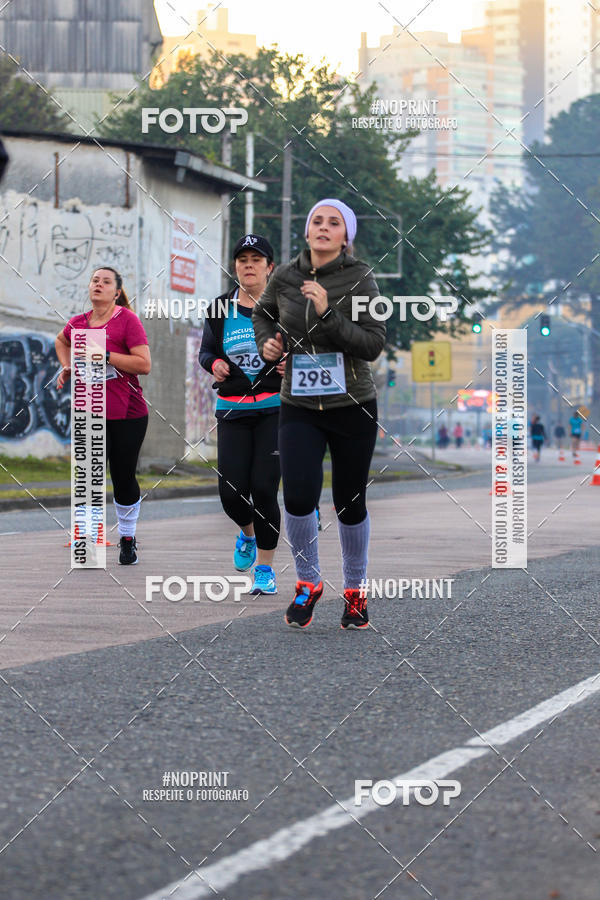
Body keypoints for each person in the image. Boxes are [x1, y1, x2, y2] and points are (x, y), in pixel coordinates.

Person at [253, 198, 386, 630]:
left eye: (334, 223)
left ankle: (355, 591)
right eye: (317, 221)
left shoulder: (361, 278)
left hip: (353, 405)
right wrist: (268, 345)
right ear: (307, 230)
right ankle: (308, 583)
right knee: (297, 495)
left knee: (349, 502)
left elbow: (371, 345)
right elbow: (262, 314)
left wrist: (328, 313)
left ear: (346, 236)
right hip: (299, 406)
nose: (323, 228)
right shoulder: (286, 276)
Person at [199, 234, 283, 595]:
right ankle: (247, 534)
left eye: (256, 259)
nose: (248, 265)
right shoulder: (219, 308)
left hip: (274, 409)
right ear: (235, 266)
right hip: (232, 408)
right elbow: (205, 352)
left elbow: (308, 349)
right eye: (242, 259)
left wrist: (291, 364)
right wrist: (215, 362)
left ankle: (265, 569)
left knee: (264, 489)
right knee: (232, 493)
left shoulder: (284, 308)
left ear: (270, 267)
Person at [55, 267, 151, 564]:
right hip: (89, 408)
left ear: (117, 291)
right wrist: (67, 366)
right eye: (95, 280)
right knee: (87, 478)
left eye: (106, 281)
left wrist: (106, 356)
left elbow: (144, 364)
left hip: (128, 413)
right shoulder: (78, 324)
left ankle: (127, 537)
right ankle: (86, 544)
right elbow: (61, 341)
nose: (99, 284)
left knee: (122, 478)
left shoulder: (127, 321)